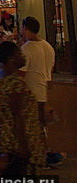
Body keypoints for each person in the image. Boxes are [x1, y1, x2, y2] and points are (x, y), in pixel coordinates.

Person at [0, 41, 45, 176]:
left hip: (5, 139)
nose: (23, 56)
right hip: (16, 141)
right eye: (19, 53)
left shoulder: (0, 77)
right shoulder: (15, 83)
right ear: (12, 58)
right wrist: (23, 144)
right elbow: (17, 114)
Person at [19, 16, 58, 166]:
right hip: (42, 91)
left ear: (26, 29)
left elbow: (21, 73)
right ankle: (43, 155)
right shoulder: (47, 46)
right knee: (40, 126)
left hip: (30, 92)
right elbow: (50, 71)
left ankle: (36, 158)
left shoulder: (27, 48)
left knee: (30, 127)